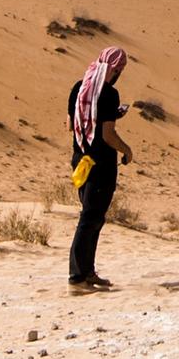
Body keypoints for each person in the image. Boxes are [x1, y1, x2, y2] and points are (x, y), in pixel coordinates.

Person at [65, 43, 129, 291]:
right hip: (101, 164)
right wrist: (127, 150)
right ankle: (77, 278)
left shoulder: (78, 88)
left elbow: (71, 125)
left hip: (80, 161)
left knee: (92, 217)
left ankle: (87, 272)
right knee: (90, 218)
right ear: (118, 69)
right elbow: (108, 134)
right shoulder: (109, 94)